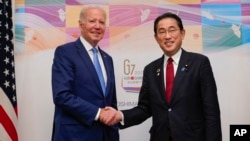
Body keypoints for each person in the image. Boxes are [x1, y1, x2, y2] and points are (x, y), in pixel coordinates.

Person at [103, 12, 222, 141]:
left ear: (182, 33)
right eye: (162, 32)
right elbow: (144, 108)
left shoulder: (199, 63)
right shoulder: (151, 70)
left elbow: (212, 112)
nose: (167, 36)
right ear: (156, 37)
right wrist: (120, 115)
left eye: (172, 30)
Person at [51, 6, 119, 141]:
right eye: (92, 21)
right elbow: (62, 95)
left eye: (101, 22)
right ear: (81, 25)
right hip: (74, 135)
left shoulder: (108, 59)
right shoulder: (65, 52)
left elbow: (111, 101)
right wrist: (98, 113)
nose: (97, 26)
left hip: (106, 135)